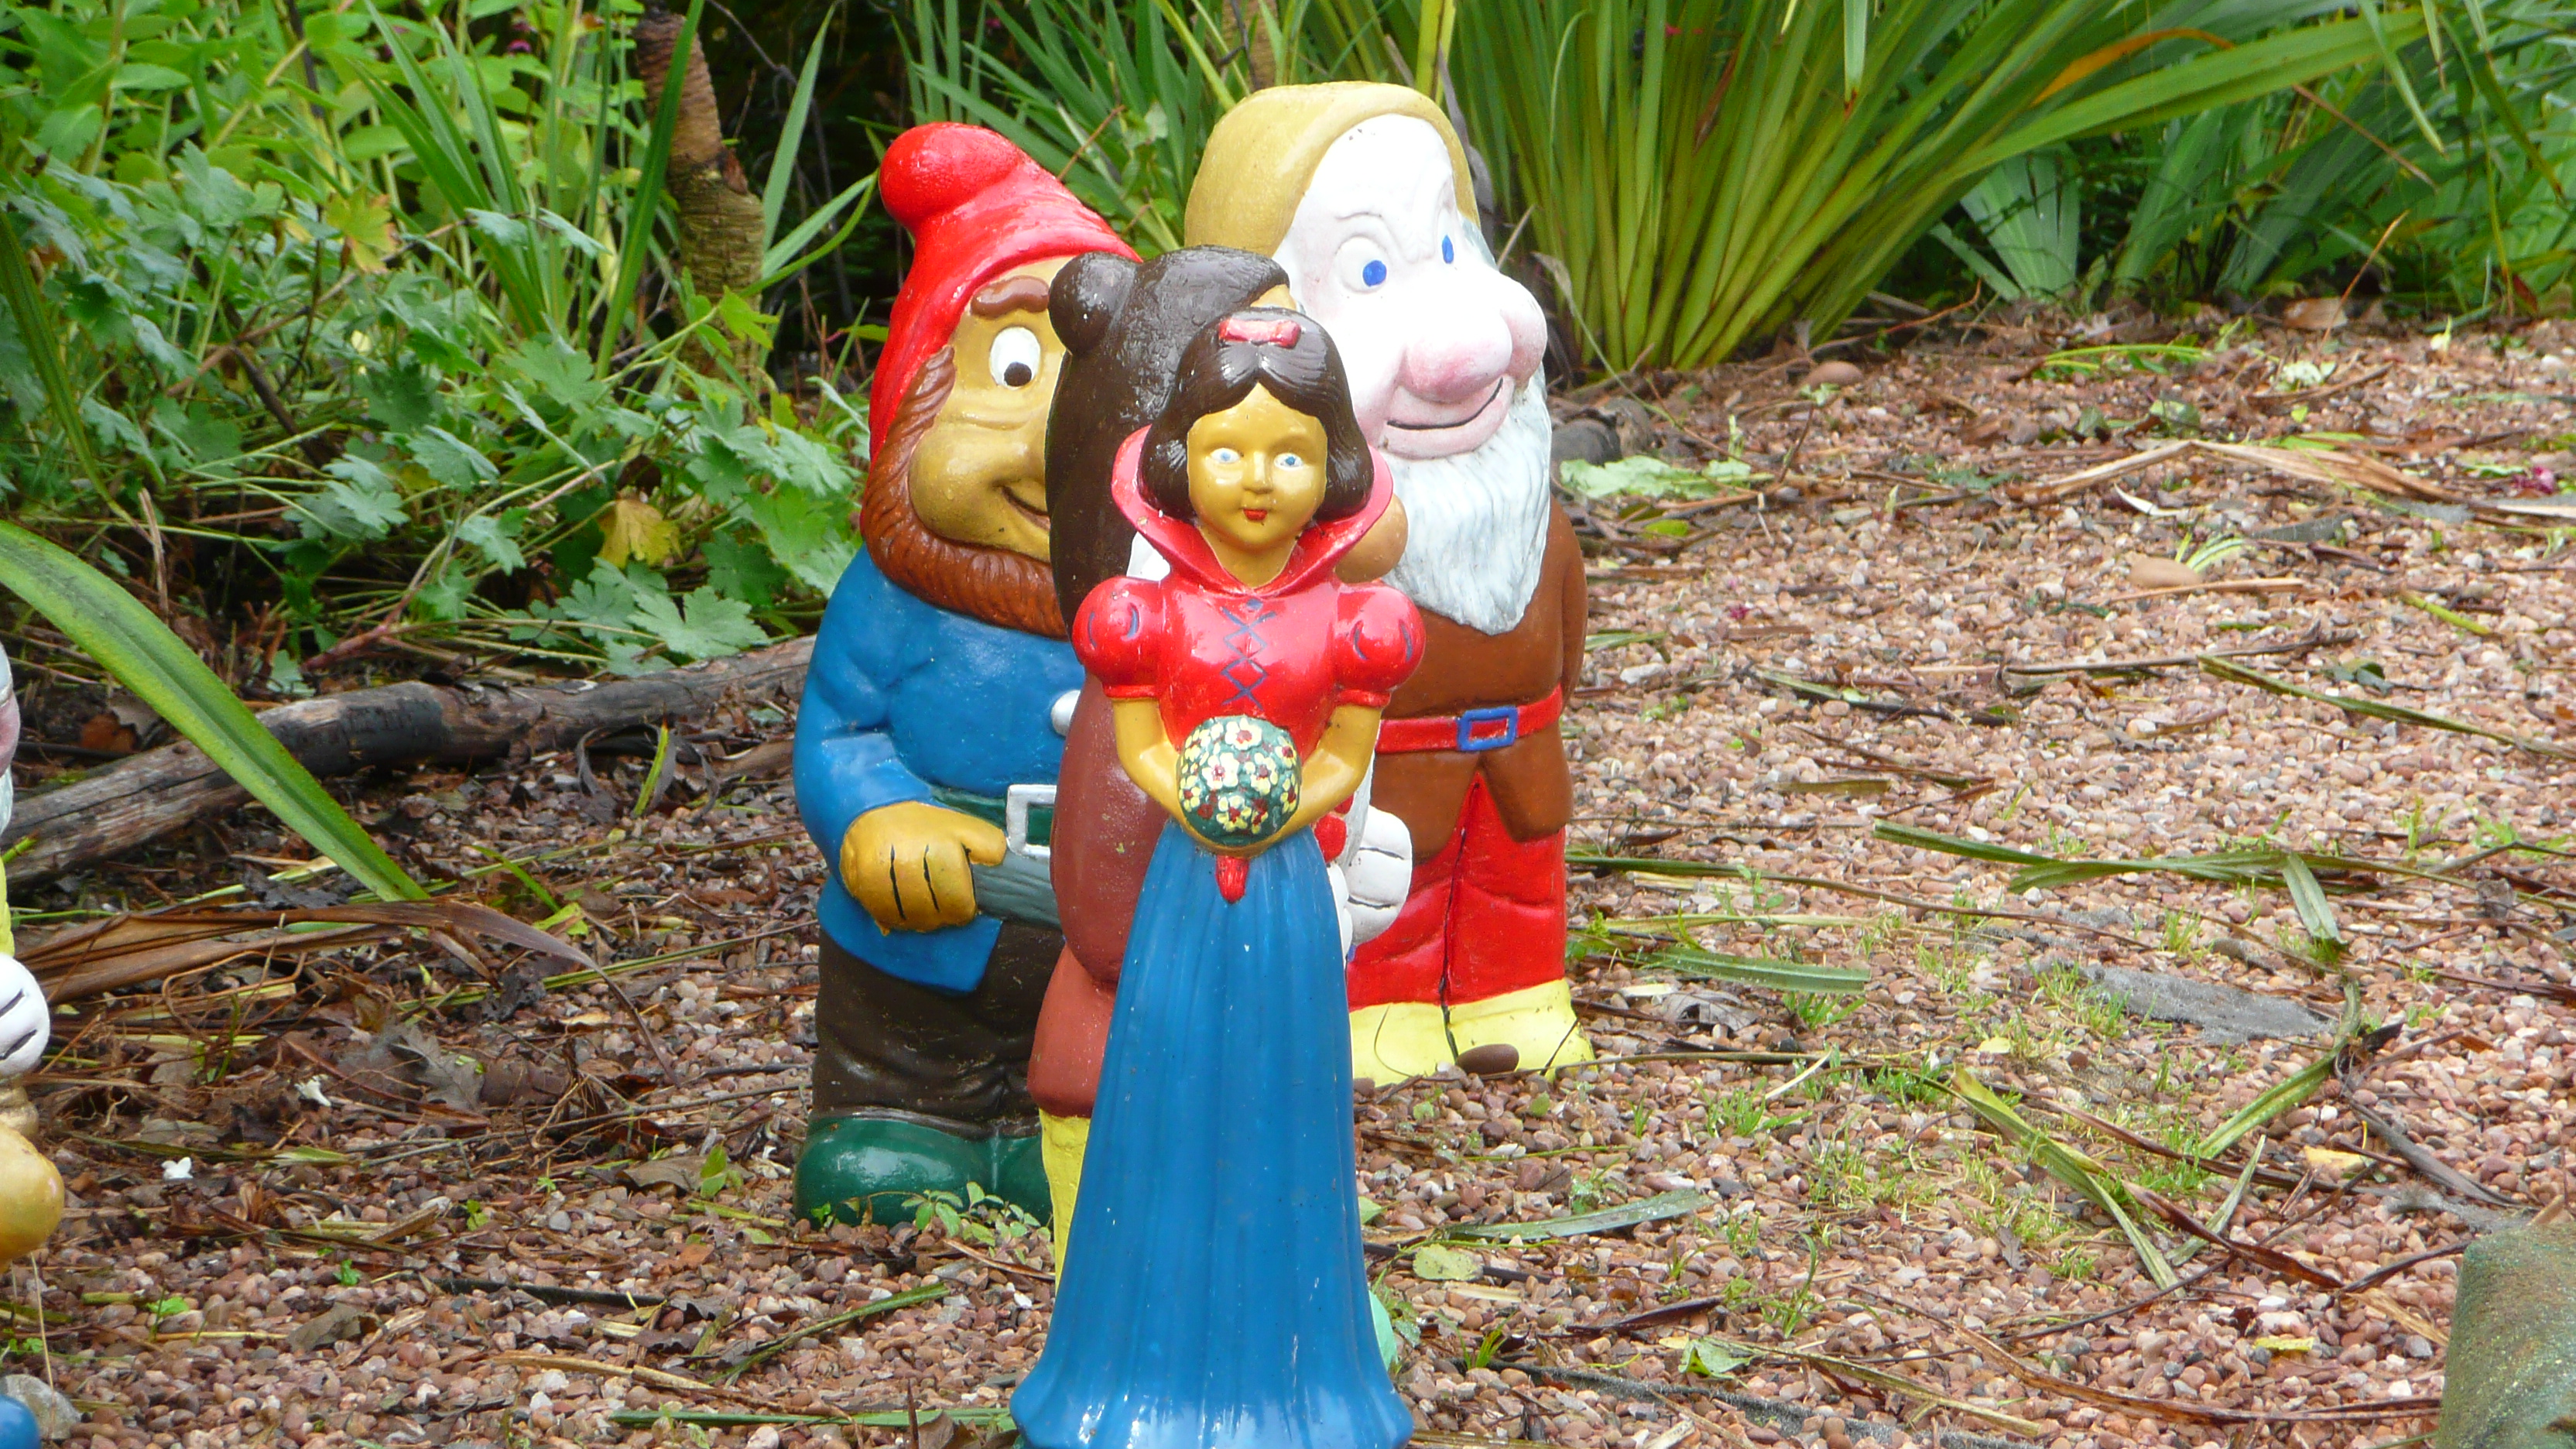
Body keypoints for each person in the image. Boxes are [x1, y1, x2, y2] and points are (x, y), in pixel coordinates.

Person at [1012, 310, 1416, 1449]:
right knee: (1166, 1087)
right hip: (1187, 892)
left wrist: (1287, 802)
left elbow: (1345, 756)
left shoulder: (1356, 622)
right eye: (1229, 451)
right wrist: (1193, 794)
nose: (1256, 479)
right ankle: (1135, 1374)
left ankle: (1297, 1383)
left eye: (1290, 454)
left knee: (1286, 1100)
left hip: (1281, 894)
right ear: (1178, 460)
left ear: (1333, 470)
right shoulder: (1143, 618)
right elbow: (1141, 743)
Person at [1186, 85, 1591, 1087]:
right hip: (1385, 766)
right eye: (1369, 270)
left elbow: (1567, 631)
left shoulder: (1527, 516)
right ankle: (1385, 1009)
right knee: (1393, 889)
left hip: (1521, 752)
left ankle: (1516, 994)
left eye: (1450, 247)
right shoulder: (1287, 555)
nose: (1467, 346)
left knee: (1519, 885)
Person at [790, 124, 1133, 1223]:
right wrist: (878, 813)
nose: (1052, 442)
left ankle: (1062, 1135)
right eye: (1016, 371)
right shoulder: (895, 598)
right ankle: (894, 1117)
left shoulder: (1165, 597)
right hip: (924, 917)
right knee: (900, 1050)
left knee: (1097, 1060)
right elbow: (838, 731)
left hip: (1099, 922)